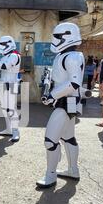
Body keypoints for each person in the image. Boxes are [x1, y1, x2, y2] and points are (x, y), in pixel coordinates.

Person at [36, 23, 85, 188]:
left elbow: (74, 83)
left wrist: (52, 95)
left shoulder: (71, 56)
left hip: (65, 103)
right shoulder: (67, 55)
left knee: (50, 141)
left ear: (66, 37)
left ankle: (51, 175)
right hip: (68, 102)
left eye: (57, 37)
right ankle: (73, 170)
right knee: (68, 137)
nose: (55, 40)